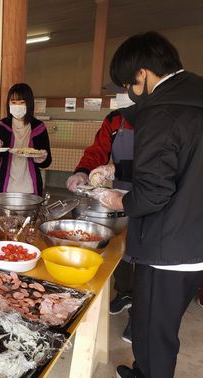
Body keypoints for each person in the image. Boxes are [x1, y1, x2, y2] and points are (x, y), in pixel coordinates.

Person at [94, 31, 203, 378]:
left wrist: (119, 198)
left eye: (127, 82)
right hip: (193, 234)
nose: (128, 90)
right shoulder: (194, 98)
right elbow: (181, 163)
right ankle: (141, 371)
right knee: (152, 322)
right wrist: (120, 168)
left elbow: (154, 192)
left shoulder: (162, 110)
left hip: (168, 244)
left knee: (155, 332)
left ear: (142, 73)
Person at [66, 109, 135, 343]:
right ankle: (125, 293)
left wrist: (116, 168)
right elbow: (98, 151)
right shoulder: (115, 119)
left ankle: (140, 317)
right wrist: (82, 172)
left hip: (153, 194)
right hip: (119, 196)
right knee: (121, 249)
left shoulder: (160, 114)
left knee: (145, 254)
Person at [0, 83, 51, 194]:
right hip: (4, 190)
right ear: (9, 104)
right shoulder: (0, 127)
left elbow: (47, 162)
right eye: (14, 102)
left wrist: (42, 158)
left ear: (29, 104)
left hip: (30, 190)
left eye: (21, 102)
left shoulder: (39, 128)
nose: (17, 106)